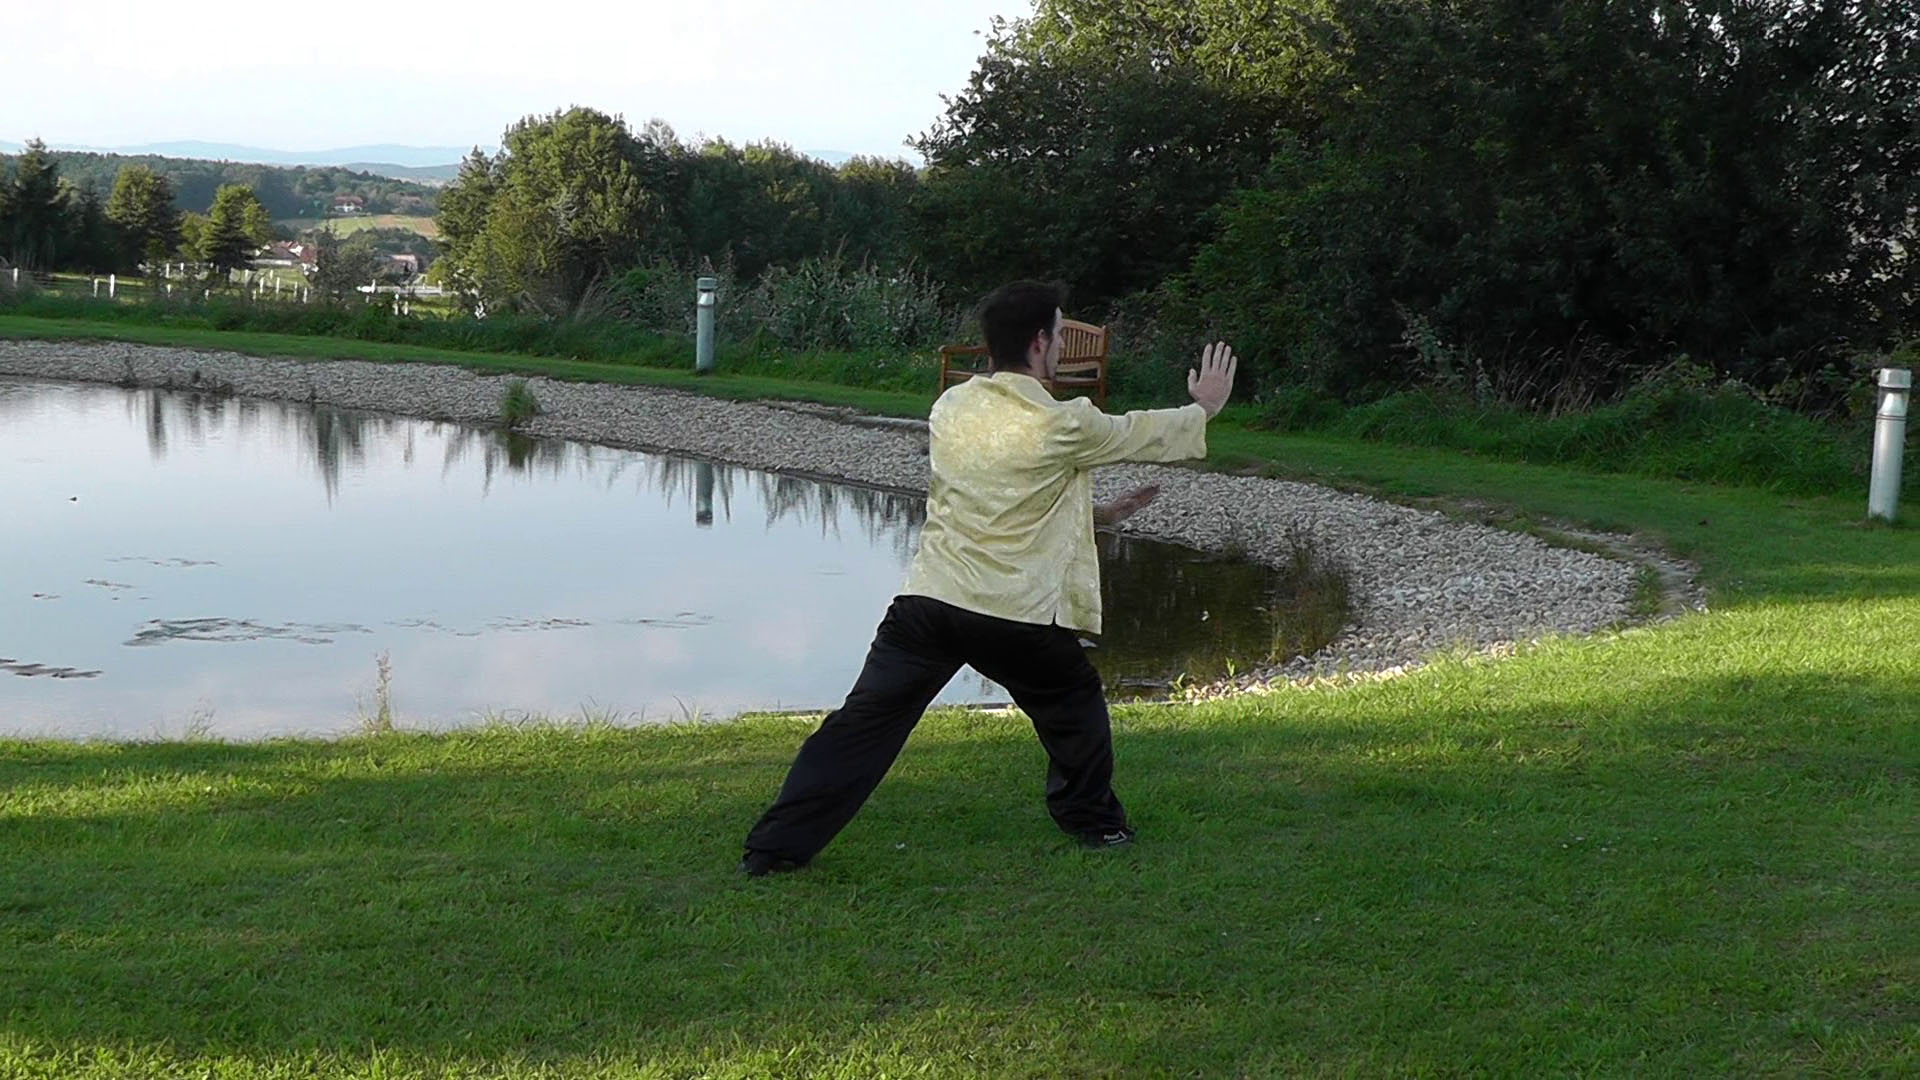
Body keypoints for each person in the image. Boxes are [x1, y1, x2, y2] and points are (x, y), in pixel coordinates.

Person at [739, 281, 1237, 876]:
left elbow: (996, 492)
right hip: (1012, 614)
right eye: (1058, 332)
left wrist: (1096, 515)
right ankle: (1094, 823)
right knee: (1074, 705)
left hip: (928, 602)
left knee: (860, 728)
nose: (1061, 346)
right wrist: (1203, 407)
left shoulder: (952, 408)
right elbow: (1137, 432)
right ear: (1039, 342)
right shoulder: (1066, 422)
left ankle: (772, 853)